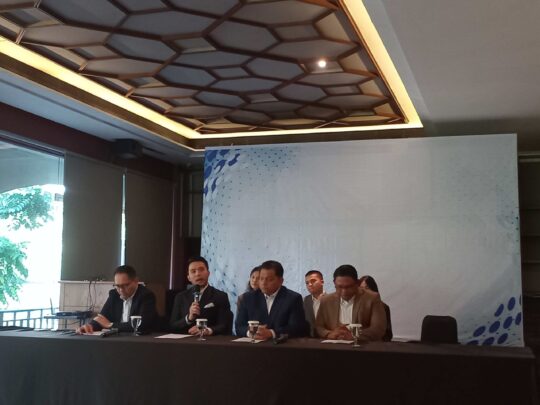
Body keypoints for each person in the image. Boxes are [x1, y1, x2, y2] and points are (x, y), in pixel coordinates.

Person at [235, 260, 308, 340]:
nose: (263, 283)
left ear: (281, 281)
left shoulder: (293, 298)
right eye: (261, 279)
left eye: (269, 279)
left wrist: (271, 333)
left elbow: (297, 328)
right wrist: (251, 332)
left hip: (281, 345)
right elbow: (239, 326)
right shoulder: (248, 298)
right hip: (253, 345)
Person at [76, 265, 157, 334]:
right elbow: (102, 318)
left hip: (140, 340)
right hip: (118, 339)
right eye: (117, 286)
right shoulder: (114, 295)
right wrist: (90, 326)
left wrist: (111, 325)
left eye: (125, 285)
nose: (121, 290)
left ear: (136, 281)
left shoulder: (146, 296)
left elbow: (141, 325)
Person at [315, 265, 386, 341]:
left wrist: (354, 335)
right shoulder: (326, 300)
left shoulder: (372, 298)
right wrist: (329, 334)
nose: (344, 292)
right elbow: (319, 326)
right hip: (334, 345)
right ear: (334, 283)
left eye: (348, 287)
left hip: (363, 345)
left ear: (357, 283)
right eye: (339, 287)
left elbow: (378, 329)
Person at [169, 256, 232, 336]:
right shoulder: (180, 297)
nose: (198, 274)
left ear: (208, 273)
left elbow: (224, 325)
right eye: (193, 271)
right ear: (189, 277)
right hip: (186, 341)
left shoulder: (220, 296)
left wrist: (208, 330)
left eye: (201, 270)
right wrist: (188, 318)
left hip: (210, 341)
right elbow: (173, 326)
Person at [359, 275, 393, 341]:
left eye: (367, 288)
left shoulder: (383, 307)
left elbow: (388, 334)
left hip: (375, 343)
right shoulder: (355, 306)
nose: (363, 291)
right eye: (361, 288)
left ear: (373, 289)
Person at [303, 270, 325, 337]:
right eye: (307, 283)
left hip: (327, 338)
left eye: (313, 281)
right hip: (308, 339)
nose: (310, 284)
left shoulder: (332, 300)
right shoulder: (304, 301)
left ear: (322, 282)